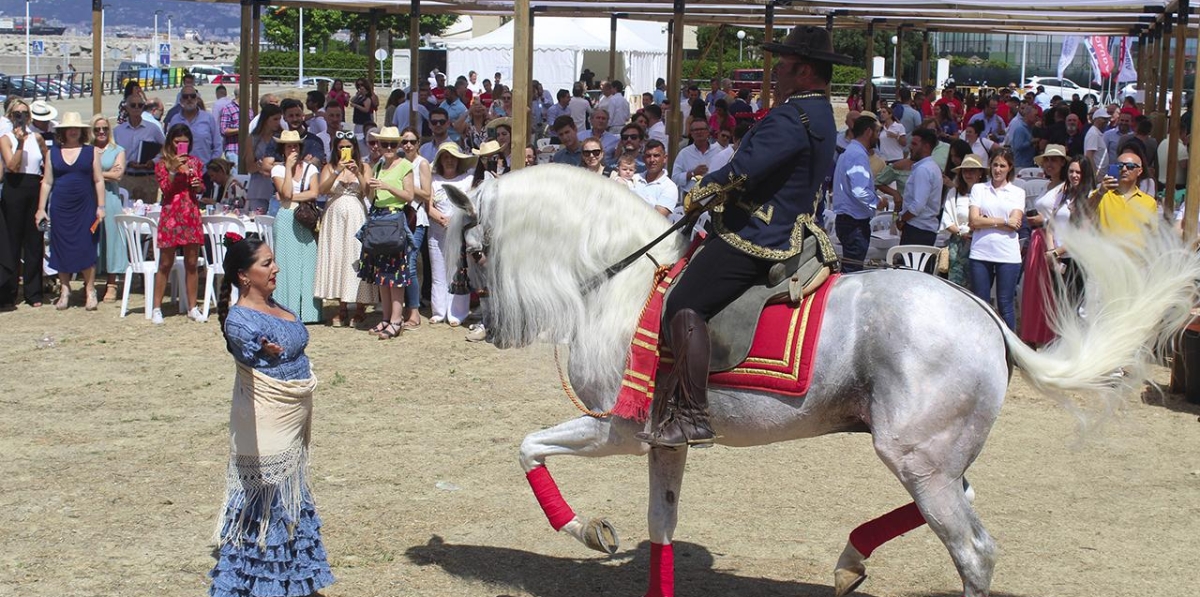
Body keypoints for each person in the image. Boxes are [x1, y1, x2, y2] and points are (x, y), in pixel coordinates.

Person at [638, 26, 845, 448]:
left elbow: (742, 170)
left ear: (804, 70)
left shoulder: (792, 115)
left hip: (760, 231)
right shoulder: (822, 113)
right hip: (792, 222)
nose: (779, 73)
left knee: (684, 302)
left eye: (785, 65)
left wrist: (700, 192)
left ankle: (693, 415)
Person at [209, 236, 335, 597]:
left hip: (293, 419)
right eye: (265, 263)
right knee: (267, 498)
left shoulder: (276, 305)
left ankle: (292, 580)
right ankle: (260, 583)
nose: (275, 268)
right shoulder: (240, 320)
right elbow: (244, 348)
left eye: (273, 261)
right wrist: (261, 347)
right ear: (243, 276)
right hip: (266, 423)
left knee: (290, 495)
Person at [35, 113, 102, 310]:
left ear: (82, 131)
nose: (73, 131)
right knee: (61, 246)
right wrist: (41, 209)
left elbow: (99, 180)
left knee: (86, 245)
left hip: (85, 205)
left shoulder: (91, 151)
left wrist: (101, 206)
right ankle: (65, 289)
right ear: (62, 131)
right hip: (60, 206)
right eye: (69, 128)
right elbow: (47, 182)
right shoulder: (52, 153)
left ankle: (90, 289)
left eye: (76, 128)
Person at [315, 130, 376, 328]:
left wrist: (357, 172)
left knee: (355, 257)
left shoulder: (364, 166)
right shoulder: (330, 166)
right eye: (341, 147)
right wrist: (336, 172)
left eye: (348, 146)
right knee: (337, 257)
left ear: (354, 148)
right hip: (334, 218)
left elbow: (369, 192)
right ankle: (341, 306)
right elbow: (322, 191)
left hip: (356, 215)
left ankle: (360, 306)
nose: (344, 150)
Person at [360, 127, 415, 339]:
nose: (389, 148)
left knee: (396, 274)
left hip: (394, 221)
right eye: (385, 144)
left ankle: (396, 319)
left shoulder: (405, 166)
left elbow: (409, 196)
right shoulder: (378, 166)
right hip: (379, 219)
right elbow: (371, 196)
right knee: (381, 274)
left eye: (393, 144)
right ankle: (385, 318)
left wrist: (387, 186)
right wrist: (370, 185)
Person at [149, 123, 207, 323]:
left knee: (192, 263)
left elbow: (200, 189)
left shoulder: (195, 162)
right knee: (165, 263)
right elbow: (165, 188)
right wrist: (173, 170)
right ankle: (157, 307)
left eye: (184, 142)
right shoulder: (162, 164)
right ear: (170, 142)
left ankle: (192, 307)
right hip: (171, 215)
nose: (181, 145)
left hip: (190, 213)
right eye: (177, 142)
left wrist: (199, 185)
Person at [967, 148, 1025, 330]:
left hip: (1007, 254)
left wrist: (986, 221)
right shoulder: (979, 188)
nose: (998, 170)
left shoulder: (1017, 192)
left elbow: (1015, 223)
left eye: (1002, 166)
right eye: (995, 165)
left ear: (1009, 168)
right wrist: (1003, 221)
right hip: (981, 251)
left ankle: (1011, 350)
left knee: (1005, 304)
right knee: (980, 304)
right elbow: (973, 220)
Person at [270, 131, 322, 324]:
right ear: (282, 149)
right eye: (289, 146)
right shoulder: (278, 170)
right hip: (285, 219)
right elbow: (284, 192)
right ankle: (286, 310)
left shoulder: (310, 168)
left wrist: (290, 196)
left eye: (296, 146)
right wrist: (289, 170)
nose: (293, 149)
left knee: (309, 263)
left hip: (305, 217)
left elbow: (314, 192)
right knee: (286, 265)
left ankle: (310, 313)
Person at [1019, 144, 1069, 346]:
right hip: (1038, 238)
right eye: (1047, 160)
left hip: (1052, 241)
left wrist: (1043, 221)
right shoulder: (1047, 186)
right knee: (1034, 289)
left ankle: (1049, 335)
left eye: (1054, 160)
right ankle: (1035, 333)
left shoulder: (1065, 187)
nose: (1050, 164)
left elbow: (1064, 218)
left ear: (1062, 163)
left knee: (1049, 289)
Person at [0, 99, 48, 308]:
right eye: (17, 114)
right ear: (10, 117)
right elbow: (12, 165)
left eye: (24, 114)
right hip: (14, 186)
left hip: (33, 186)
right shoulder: (6, 138)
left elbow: (48, 161)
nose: (21, 117)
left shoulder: (37, 137)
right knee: (11, 241)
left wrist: (47, 180)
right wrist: (19, 143)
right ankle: (8, 291)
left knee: (34, 240)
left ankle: (33, 291)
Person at [428, 142, 475, 326]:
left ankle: (457, 313)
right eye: (445, 157)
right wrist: (440, 218)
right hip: (437, 231)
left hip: (459, 232)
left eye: (452, 157)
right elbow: (428, 205)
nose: (449, 161)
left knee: (458, 272)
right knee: (438, 272)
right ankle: (439, 311)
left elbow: (469, 205)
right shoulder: (433, 179)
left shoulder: (467, 179)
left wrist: (455, 221)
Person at [832, 115, 883, 272]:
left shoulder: (849, 152)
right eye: (876, 132)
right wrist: (878, 201)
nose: (878, 137)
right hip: (854, 223)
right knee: (852, 273)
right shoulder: (857, 155)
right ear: (868, 132)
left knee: (851, 269)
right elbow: (859, 190)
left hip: (849, 221)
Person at [399, 126, 432, 329]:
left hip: (417, 218)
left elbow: (428, 194)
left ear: (418, 143)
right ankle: (403, 308)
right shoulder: (399, 163)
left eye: (412, 141)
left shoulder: (422, 164)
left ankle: (414, 311)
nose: (408, 145)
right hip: (399, 218)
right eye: (405, 141)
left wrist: (407, 187)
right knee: (401, 264)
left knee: (410, 263)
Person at [92, 114, 127, 303]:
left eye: (104, 128)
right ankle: (90, 281)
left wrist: (95, 174)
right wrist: (104, 174)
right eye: (97, 129)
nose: (101, 132)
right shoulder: (88, 150)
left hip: (111, 198)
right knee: (91, 239)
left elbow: (118, 174)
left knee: (112, 239)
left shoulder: (117, 150)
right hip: (90, 198)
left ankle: (112, 283)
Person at [941, 154, 986, 288]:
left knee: (979, 288)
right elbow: (947, 221)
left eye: (972, 170)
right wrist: (961, 233)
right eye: (965, 170)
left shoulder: (988, 193)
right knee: (956, 288)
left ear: (980, 173)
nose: (968, 173)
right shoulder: (954, 193)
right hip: (959, 247)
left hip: (981, 243)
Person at [1089, 146, 1156, 236]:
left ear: (1139, 171)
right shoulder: (1102, 194)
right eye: (1120, 166)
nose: (1124, 169)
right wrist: (1100, 192)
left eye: (1130, 166)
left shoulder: (1149, 202)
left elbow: (1152, 236)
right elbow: (1084, 212)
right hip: (1105, 250)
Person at [114, 93, 166, 204]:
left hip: (147, 178)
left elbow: (166, 148)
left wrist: (154, 161)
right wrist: (128, 163)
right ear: (127, 108)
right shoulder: (118, 131)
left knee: (147, 215)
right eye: (133, 105)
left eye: (140, 105)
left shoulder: (153, 128)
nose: (137, 108)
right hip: (127, 178)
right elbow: (114, 153)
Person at [897, 129, 943, 246]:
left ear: (926, 147)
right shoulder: (931, 167)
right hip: (923, 229)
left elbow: (917, 205)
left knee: (910, 264)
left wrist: (902, 219)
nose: (910, 148)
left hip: (917, 230)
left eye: (914, 144)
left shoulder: (923, 170)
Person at [672, 120, 733, 195]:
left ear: (708, 132)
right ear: (691, 133)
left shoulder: (719, 153)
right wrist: (693, 173)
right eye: (695, 130)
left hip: (714, 195)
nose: (699, 132)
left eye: (702, 129)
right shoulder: (684, 153)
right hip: (690, 196)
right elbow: (674, 178)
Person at [167, 85, 222, 166]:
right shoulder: (175, 120)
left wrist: (211, 166)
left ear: (196, 99)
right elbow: (168, 146)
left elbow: (218, 145)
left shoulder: (208, 118)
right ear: (181, 100)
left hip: (205, 171)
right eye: (185, 97)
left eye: (192, 96)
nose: (189, 99)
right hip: (181, 171)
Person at [248, 104, 282, 214]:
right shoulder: (253, 139)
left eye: (279, 119)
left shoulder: (282, 138)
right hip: (258, 187)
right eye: (275, 119)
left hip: (277, 186)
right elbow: (248, 166)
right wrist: (259, 166)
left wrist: (272, 165)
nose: (278, 122)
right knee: (258, 223)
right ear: (266, 119)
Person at [632, 141, 676, 217]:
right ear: (643, 158)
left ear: (665, 158)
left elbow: (657, 218)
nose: (652, 160)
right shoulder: (633, 178)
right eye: (648, 156)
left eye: (656, 156)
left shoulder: (669, 187)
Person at [349, 78, 378, 154]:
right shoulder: (359, 97)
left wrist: (356, 105)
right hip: (357, 121)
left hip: (364, 122)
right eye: (358, 85)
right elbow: (352, 101)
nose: (360, 87)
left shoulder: (367, 98)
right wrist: (357, 95)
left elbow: (366, 109)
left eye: (362, 85)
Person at [218, 87, 240, 163]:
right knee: (235, 174)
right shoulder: (228, 109)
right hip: (233, 150)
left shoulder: (249, 109)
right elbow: (224, 130)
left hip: (247, 150)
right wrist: (240, 130)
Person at [1084, 108, 1110, 173]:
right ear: (1095, 119)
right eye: (1103, 118)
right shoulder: (1093, 134)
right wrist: (1094, 175)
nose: (1106, 121)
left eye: (1107, 119)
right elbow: (1089, 155)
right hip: (1096, 176)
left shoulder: (1097, 133)